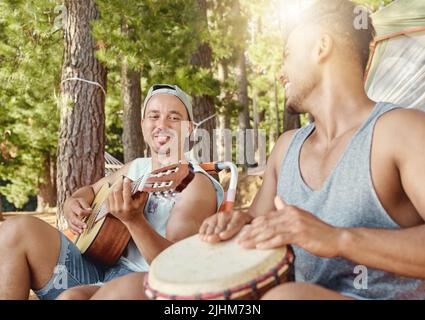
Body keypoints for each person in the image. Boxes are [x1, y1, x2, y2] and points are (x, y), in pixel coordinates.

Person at [200, 0, 425, 300]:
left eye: (288, 55)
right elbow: (257, 221)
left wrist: (338, 238)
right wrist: (237, 223)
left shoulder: (400, 130)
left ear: (320, 46)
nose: (280, 73)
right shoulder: (286, 148)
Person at [0, 84, 223, 300]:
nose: (161, 124)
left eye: (174, 118)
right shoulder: (136, 167)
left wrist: (134, 221)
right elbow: (91, 190)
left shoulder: (194, 184)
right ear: (142, 123)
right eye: (154, 116)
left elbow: (175, 266)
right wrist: (75, 201)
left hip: (141, 285)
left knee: (72, 298)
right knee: (16, 228)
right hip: (99, 268)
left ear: (190, 127)